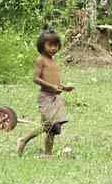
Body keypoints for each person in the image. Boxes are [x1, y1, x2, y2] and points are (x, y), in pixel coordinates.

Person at [17, 29, 74, 157]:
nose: (53, 48)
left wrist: (64, 88)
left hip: (55, 97)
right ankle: (24, 139)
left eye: (56, 45)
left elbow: (55, 83)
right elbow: (36, 79)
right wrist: (52, 86)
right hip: (45, 97)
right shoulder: (40, 60)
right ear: (42, 45)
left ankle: (48, 154)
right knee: (49, 125)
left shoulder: (54, 63)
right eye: (50, 45)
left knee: (54, 128)